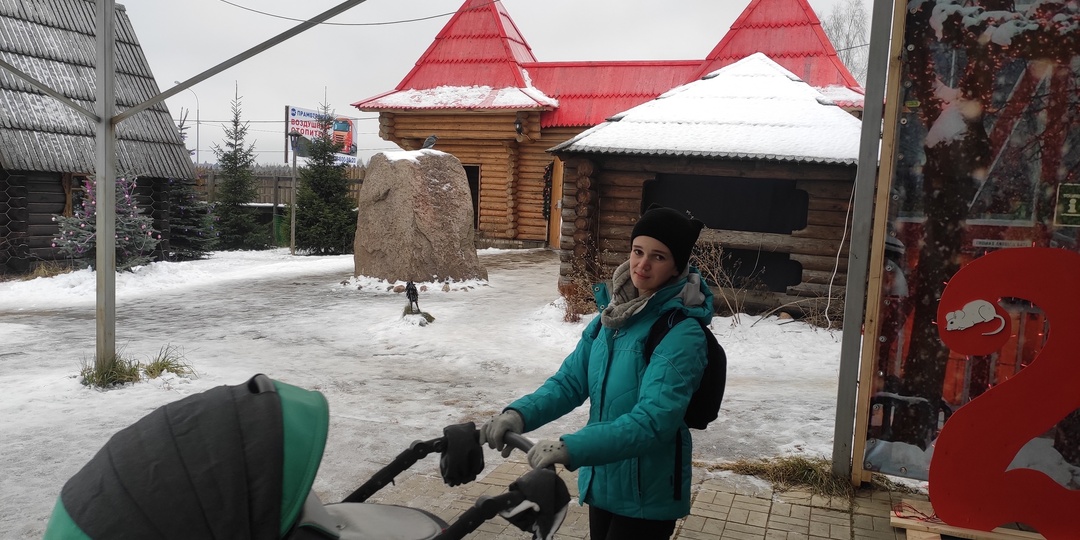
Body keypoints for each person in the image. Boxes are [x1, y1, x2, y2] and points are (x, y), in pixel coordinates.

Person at [480, 205, 713, 540]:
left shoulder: (681, 333)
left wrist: (573, 446)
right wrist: (518, 415)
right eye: (637, 251)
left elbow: (653, 422)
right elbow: (569, 383)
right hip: (604, 479)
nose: (642, 265)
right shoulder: (612, 319)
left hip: (648, 490)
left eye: (658, 257)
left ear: (677, 266)